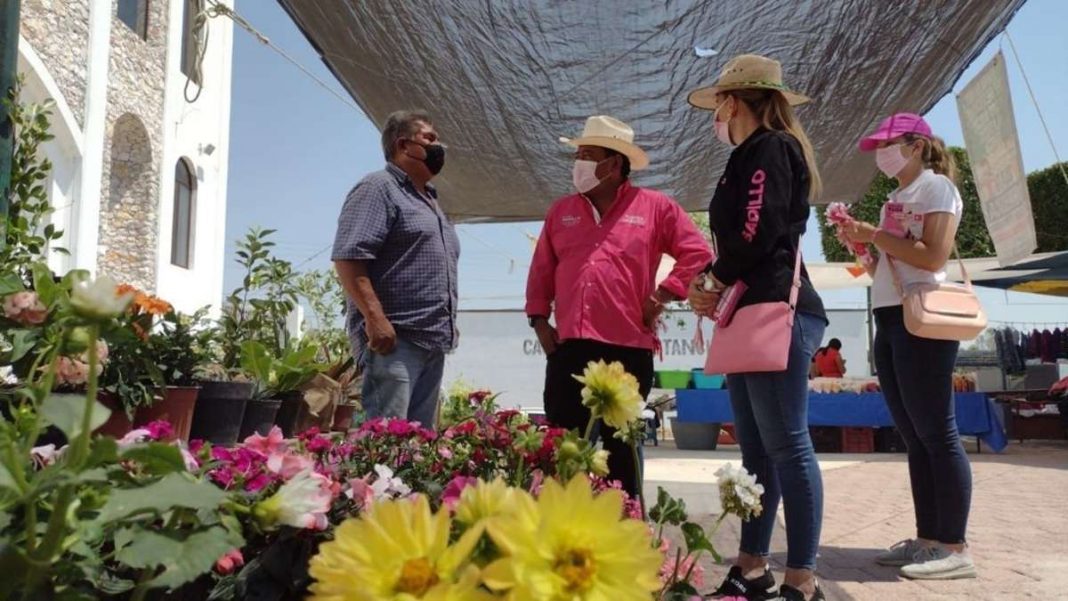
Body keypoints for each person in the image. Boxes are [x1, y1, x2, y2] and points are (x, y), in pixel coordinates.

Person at [686, 54, 828, 601]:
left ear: (733, 100)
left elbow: (758, 229)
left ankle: (803, 576)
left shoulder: (770, 147)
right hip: (751, 310)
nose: (714, 114)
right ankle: (752, 566)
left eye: (719, 102)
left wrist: (713, 278)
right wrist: (712, 280)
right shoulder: (748, 154)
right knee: (757, 453)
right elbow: (746, 236)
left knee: (788, 444)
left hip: (776, 307)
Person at [526, 115, 713, 497]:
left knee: (620, 451)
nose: (577, 163)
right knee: (564, 448)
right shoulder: (560, 211)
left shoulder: (656, 207)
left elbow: (698, 253)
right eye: (577, 155)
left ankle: (627, 529)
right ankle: (559, 533)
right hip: (570, 349)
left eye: (587, 155)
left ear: (613, 164)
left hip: (627, 350)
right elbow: (542, 268)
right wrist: (539, 321)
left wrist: (662, 295)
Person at [842, 113, 976, 580]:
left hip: (923, 314)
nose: (881, 153)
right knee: (916, 435)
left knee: (936, 431)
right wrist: (863, 245)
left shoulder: (936, 188)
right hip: (891, 313)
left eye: (888, 144)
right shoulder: (896, 198)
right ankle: (928, 540)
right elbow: (890, 259)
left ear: (916, 144)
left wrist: (875, 236)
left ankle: (955, 545)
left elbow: (934, 256)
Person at [332, 110, 459, 428]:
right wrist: (375, 319)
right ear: (404, 145)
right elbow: (348, 257)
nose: (438, 146)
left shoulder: (430, 200)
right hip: (394, 342)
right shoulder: (379, 188)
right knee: (388, 446)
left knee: (417, 450)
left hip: (432, 344)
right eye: (429, 139)